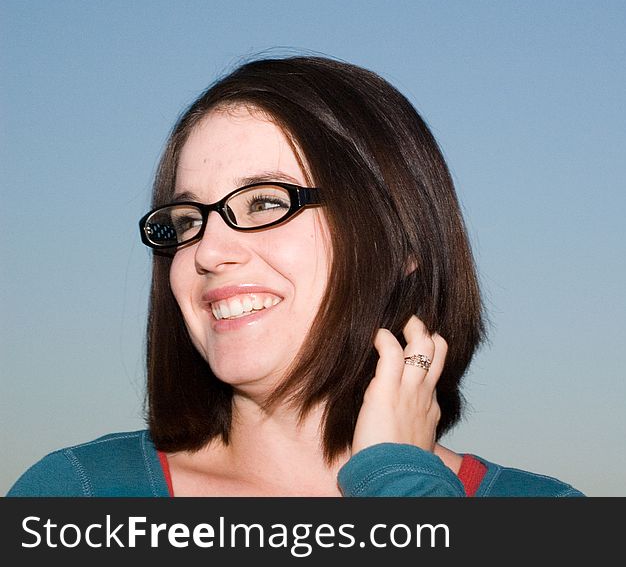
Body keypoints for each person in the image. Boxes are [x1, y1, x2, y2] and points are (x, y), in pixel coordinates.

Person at [7, 55, 585, 497]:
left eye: (263, 203)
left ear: (400, 237)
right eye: (186, 220)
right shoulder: (79, 494)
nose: (208, 250)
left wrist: (399, 484)